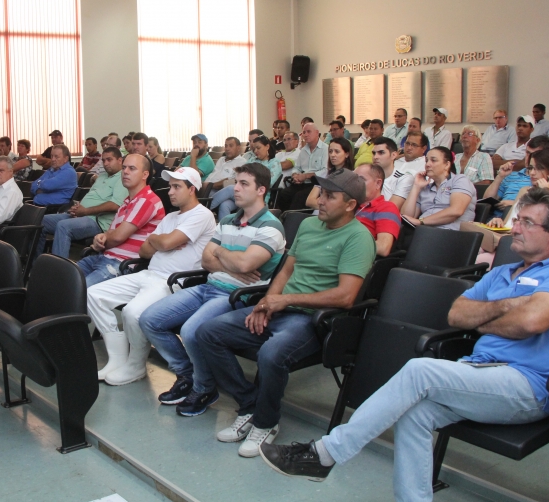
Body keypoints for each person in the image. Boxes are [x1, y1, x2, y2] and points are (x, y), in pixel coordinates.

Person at [261, 189, 549, 502]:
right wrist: (512, 305)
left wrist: (488, 318)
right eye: (517, 219)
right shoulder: (503, 274)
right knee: (415, 415)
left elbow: (531, 322)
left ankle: (326, 453)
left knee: (420, 370)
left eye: (527, 223)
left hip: (528, 387)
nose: (515, 228)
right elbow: (457, 314)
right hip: (477, 371)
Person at [196, 169, 375, 458]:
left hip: (314, 320)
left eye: (330, 196)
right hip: (281, 308)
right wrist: (266, 302)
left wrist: (285, 300)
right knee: (208, 333)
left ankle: (265, 422)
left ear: (351, 204)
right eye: (321, 194)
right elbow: (287, 271)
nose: (320, 200)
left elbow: (345, 296)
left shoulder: (359, 237)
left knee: (271, 354)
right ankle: (250, 405)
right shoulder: (309, 225)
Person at [139, 163, 285, 414]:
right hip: (208, 286)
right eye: (236, 182)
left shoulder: (270, 226)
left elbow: (246, 263)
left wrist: (221, 253)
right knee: (149, 319)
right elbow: (207, 260)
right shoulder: (227, 220)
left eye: (244, 184)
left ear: (261, 190)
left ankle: (204, 387)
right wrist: (230, 263)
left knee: (191, 330)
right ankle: (187, 374)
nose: (235, 188)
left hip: (236, 295)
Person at [88, 167, 216, 383]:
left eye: (177, 187)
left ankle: (135, 365)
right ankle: (118, 357)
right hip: (149, 273)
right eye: (170, 186)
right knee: (93, 294)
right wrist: (163, 241)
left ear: (192, 189)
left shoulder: (202, 215)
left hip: (173, 281)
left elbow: (163, 243)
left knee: (132, 312)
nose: (170, 192)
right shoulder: (171, 217)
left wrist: (161, 241)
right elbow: (144, 251)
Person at [77, 154, 164, 287]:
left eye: (132, 168)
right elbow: (110, 234)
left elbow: (117, 237)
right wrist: (100, 239)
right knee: (62, 280)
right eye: (124, 168)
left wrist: (102, 240)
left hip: (121, 263)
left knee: (80, 291)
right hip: (103, 257)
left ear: (145, 174)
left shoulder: (147, 200)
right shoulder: (127, 202)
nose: (125, 172)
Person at [37, 147, 127, 259]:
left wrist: (85, 211)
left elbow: (115, 205)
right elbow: (91, 197)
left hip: (97, 221)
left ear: (120, 160)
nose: (105, 163)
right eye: (103, 160)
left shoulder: (122, 178)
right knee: (41, 220)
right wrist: (77, 208)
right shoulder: (102, 176)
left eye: (109, 160)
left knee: (63, 226)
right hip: (82, 214)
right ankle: (36, 263)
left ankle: (59, 268)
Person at [484, 149, 549, 229]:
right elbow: (508, 223)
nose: (532, 173)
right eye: (530, 168)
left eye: (539, 168)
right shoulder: (525, 190)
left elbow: (546, 227)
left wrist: (545, 192)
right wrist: (499, 222)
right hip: (509, 233)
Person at [401, 146, 476, 230]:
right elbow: (406, 217)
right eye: (426, 161)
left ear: (447, 165)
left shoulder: (460, 180)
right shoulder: (425, 188)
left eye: (433, 160)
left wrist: (421, 222)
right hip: (423, 231)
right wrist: (416, 186)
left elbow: (456, 211)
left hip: (450, 233)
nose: (427, 164)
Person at [483, 135, 549, 219]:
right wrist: (500, 177)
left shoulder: (545, 181)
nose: (528, 157)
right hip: (495, 219)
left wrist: (514, 204)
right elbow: (487, 199)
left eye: (534, 154)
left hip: (520, 219)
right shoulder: (511, 174)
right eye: (527, 152)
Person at [211, 135, 281, 218]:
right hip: (243, 192)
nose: (255, 151)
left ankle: (205, 207)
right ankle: (224, 226)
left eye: (258, 148)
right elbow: (239, 175)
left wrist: (247, 182)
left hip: (258, 195)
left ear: (267, 146)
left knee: (230, 189)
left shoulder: (274, 163)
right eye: (254, 149)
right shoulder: (252, 160)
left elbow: (268, 183)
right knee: (225, 205)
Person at [276, 122, 327, 211]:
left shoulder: (325, 149)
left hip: (317, 184)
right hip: (302, 183)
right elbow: (297, 167)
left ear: (316, 133)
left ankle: (293, 217)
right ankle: (283, 217)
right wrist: (295, 175)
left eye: (308, 132)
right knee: (284, 194)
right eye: (304, 132)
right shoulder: (303, 150)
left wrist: (306, 176)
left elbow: (325, 171)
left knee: (299, 196)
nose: (306, 135)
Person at [355, 163, 400, 257]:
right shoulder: (350, 204)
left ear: (378, 183)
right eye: (354, 179)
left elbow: (383, 248)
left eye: (361, 179)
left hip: (356, 257)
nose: (355, 184)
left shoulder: (386, 207)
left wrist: (345, 243)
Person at [305, 137, 355, 209]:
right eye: (330, 151)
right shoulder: (325, 173)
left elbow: (343, 206)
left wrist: (322, 204)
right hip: (318, 213)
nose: (332, 155)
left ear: (347, 154)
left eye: (337, 151)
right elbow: (309, 201)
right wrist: (330, 207)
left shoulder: (353, 176)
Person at [387, 132, 428, 207]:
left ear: (424, 148)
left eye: (414, 145)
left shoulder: (426, 166)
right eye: (407, 143)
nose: (409, 148)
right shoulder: (395, 161)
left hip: (404, 205)